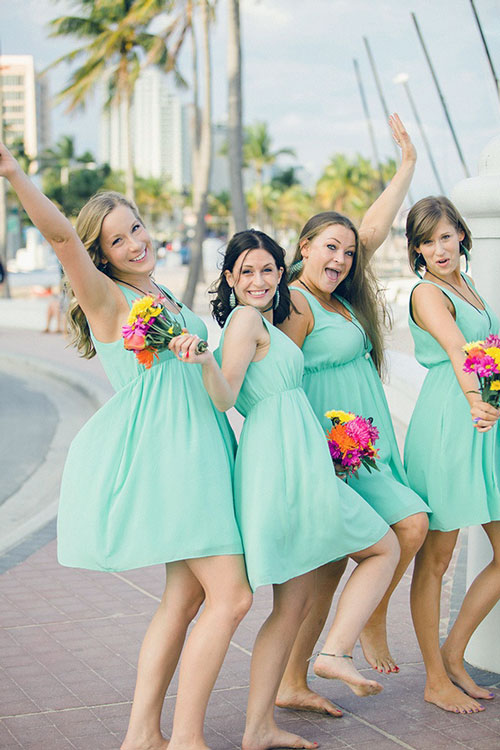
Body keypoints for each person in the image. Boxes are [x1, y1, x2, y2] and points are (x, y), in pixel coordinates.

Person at [0, 140, 252, 750]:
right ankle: (186, 740)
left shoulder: (163, 296)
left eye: (135, 228)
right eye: (118, 240)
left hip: (204, 449)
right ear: (101, 254)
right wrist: (11, 172)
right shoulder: (109, 298)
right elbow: (61, 240)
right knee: (234, 597)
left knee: (185, 597)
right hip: (174, 461)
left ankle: (142, 735)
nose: (135, 242)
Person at [188, 228, 399, 750]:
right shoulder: (242, 321)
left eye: (266, 270)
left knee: (292, 605)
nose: (258, 280)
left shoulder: (266, 323)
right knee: (383, 545)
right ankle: (333, 653)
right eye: (247, 272)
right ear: (231, 280)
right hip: (279, 465)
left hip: (295, 456)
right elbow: (225, 396)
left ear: (281, 273)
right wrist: (206, 363)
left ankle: (259, 726)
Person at [276, 114, 429, 716]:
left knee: (334, 566)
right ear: (304, 248)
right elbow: (276, 378)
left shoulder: (336, 297)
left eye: (347, 250)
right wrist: (313, 450)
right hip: (330, 452)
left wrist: (406, 168)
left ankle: (300, 675)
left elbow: (371, 227)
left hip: (363, 448)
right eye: (328, 247)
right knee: (402, 530)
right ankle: (348, 638)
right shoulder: (295, 303)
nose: (340, 256)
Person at [404, 196, 500, 714]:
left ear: (461, 234)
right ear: (416, 249)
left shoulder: (471, 288)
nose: (437, 248)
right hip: (451, 417)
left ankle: (454, 654)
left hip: (482, 418)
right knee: (437, 558)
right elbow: (460, 350)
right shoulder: (426, 293)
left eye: (445, 236)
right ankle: (435, 678)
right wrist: (475, 401)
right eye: (426, 240)